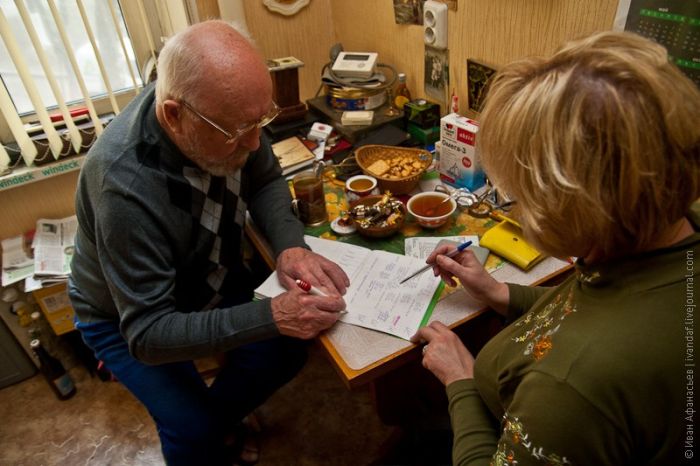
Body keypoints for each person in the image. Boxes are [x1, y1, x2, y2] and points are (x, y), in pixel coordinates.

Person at [68, 20, 349, 466]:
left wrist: (289, 246)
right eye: (237, 132)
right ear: (173, 115)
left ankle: (219, 423)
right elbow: (148, 333)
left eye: (260, 121)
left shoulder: (224, 110)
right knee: (193, 428)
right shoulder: (122, 187)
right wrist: (273, 314)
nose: (255, 142)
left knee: (286, 353)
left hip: (211, 273)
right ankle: (207, 434)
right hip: (126, 315)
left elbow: (266, 179)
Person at [413, 31, 699, 465]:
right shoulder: (669, 231)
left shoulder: (572, 390)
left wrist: (461, 381)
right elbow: (593, 304)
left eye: (518, 195)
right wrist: (498, 292)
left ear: (576, 206)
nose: (516, 208)